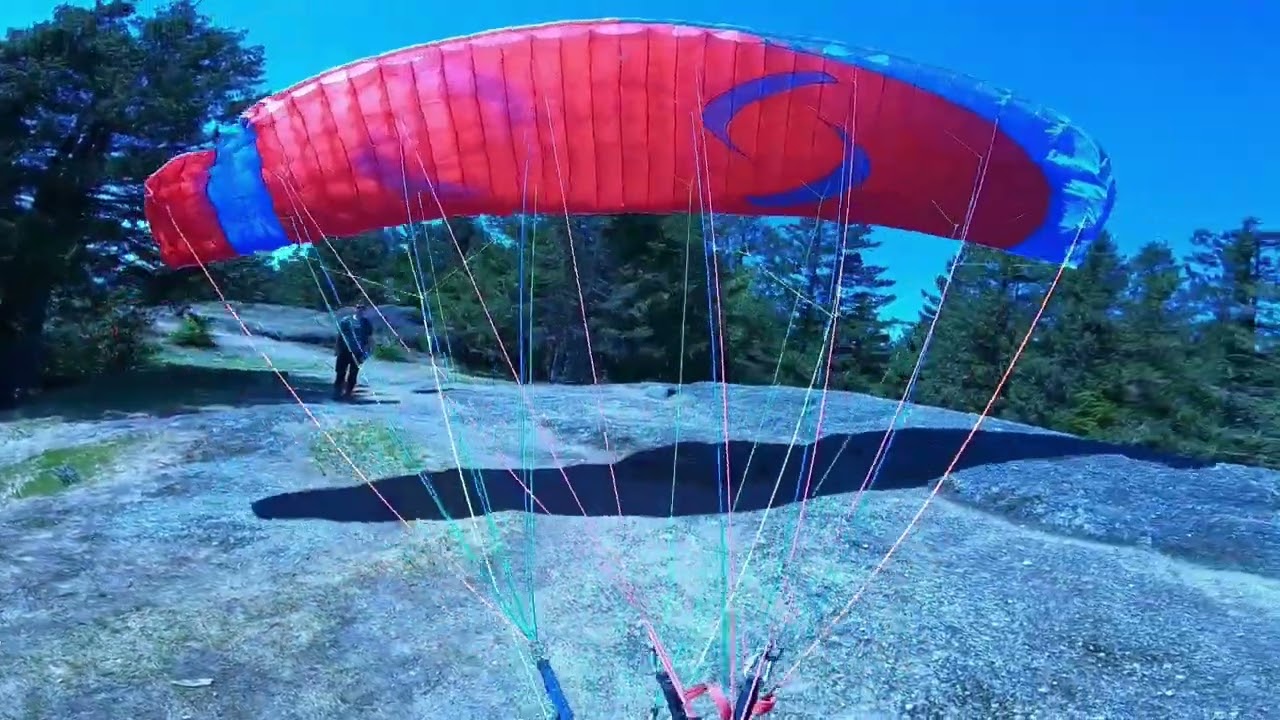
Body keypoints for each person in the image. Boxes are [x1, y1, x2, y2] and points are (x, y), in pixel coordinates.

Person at [334, 301, 374, 400]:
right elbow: (340, 335)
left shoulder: (366, 323)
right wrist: (337, 348)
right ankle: (337, 392)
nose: (360, 310)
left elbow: (369, 338)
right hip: (345, 349)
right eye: (358, 307)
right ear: (355, 308)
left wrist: (367, 351)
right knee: (340, 371)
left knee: (353, 373)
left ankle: (348, 393)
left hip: (357, 351)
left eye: (363, 308)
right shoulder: (346, 321)